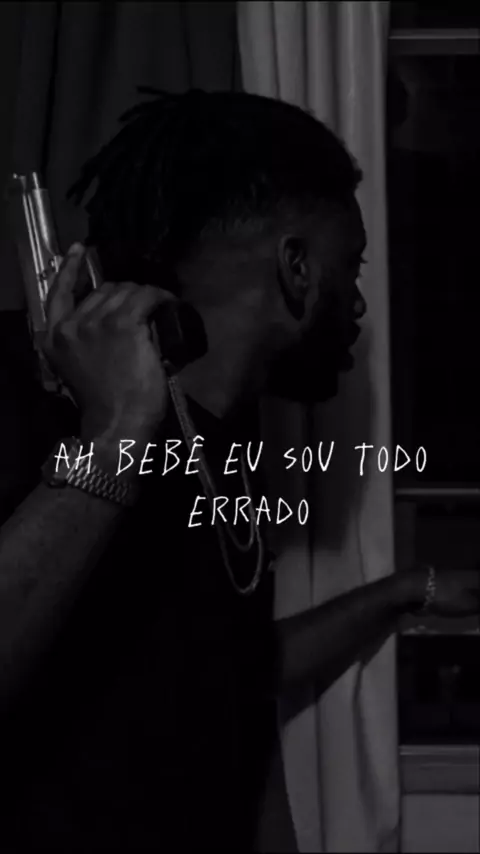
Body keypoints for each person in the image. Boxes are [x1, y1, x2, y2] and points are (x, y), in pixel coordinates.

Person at [0, 89, 478, 853]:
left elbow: (230, 671)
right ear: (296, 267)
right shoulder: (39, 399)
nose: (358, 304)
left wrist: (404, 590)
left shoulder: (222, 440)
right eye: (350, 268)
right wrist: (114, 435)